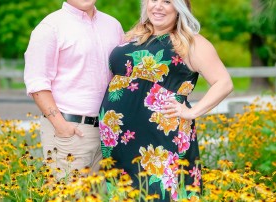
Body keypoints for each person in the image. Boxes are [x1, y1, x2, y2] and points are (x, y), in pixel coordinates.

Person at [99, 0, 233, 200]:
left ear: (180, 8)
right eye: (153, 0)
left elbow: (224, 82)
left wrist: (192, 112)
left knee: (159, 192)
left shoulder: (191, 42)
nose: (158, 6)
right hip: (117, 136)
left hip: (161, 138)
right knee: (122, 193)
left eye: (167, 1)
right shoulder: (133, 37)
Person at [24, 0, 124, 179]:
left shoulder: (113, 25)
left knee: (99, 196)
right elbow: (37, 83)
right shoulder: (50, 27)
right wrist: (61, 126)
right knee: (69, 196)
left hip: (108, 130)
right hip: (70, 132)